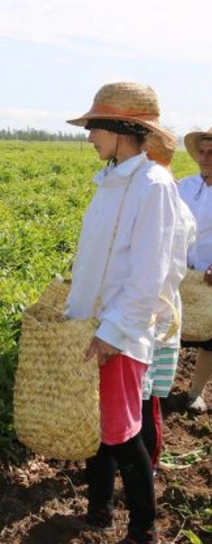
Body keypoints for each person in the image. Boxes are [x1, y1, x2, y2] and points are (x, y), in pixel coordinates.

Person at [65, 81, 178, 544]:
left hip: (120, 331)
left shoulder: (153, 185)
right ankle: (99, 509)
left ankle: (143, 530)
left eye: (95, 126)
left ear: (120, 129)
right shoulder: (111, 181)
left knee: (121, 433)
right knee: (98, 427)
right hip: (94, 326)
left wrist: (114, 331)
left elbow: (150, 274)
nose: (89, 135)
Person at [138, 131, 195, 474]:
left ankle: (148, 468)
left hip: (153, 315)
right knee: (141, 399)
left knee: (147, 402)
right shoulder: (170, 197)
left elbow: (157, 271)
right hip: (152, 313)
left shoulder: (163, 200)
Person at [177, 127, 212, 414]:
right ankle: (155, 389)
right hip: (179, 274)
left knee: (209, 340)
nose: (206, 157)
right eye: (202, 151)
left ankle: (196, 393)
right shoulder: (183, 187)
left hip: (209, 278)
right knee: (167, 330)